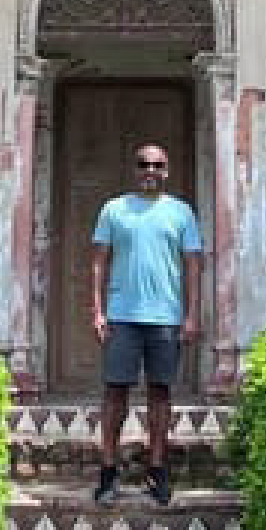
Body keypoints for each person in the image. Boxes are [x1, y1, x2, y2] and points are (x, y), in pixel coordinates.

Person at [89, 141, 203, 506]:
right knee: (114, 392)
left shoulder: (181, 212)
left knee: (160, 392)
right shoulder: (114, 209)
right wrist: (97, 310)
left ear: (166, 170)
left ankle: (157, 469)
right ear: (135, 170)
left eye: (157, 165)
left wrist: (192, 314)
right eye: (143, 164)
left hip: (165, 317)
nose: (150, 171)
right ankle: (108, 470)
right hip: (122, 315)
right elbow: (99, 261)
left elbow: (193, 265)